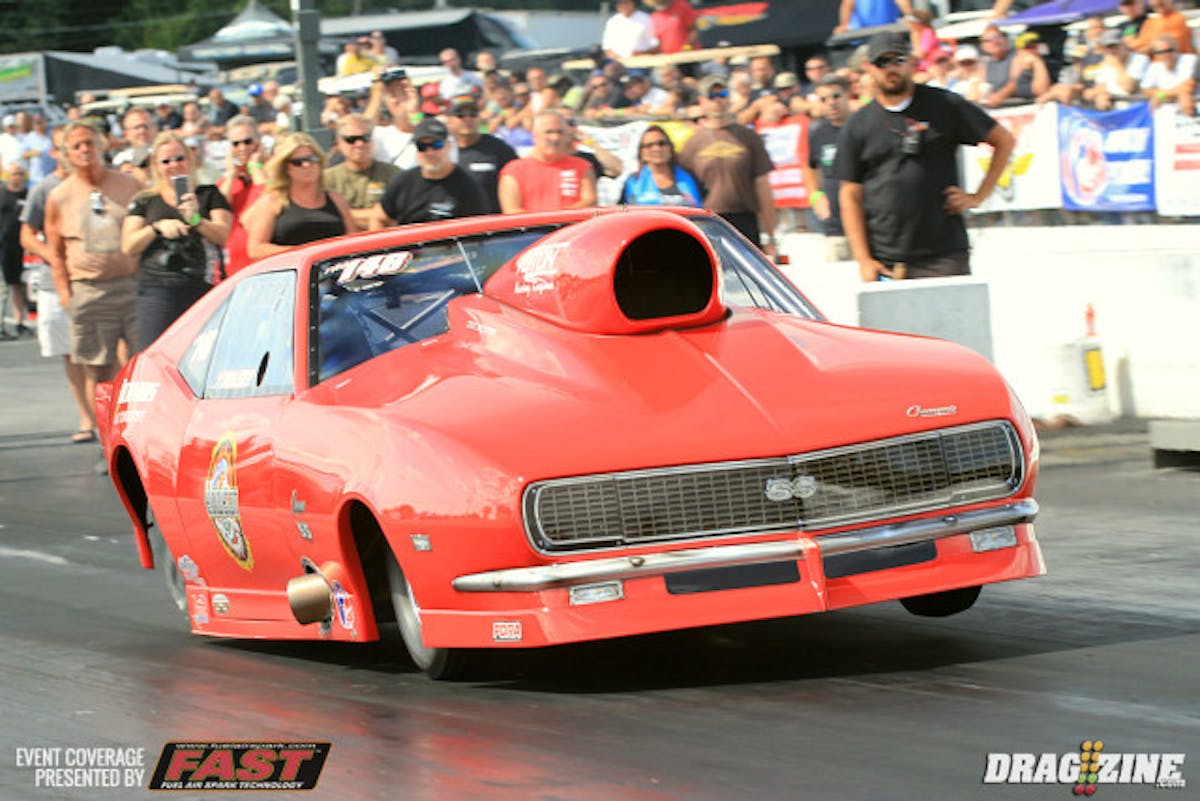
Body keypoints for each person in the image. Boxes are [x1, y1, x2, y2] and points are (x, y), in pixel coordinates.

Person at [834, 32, 1016, 282]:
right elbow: (850, 195)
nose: (890, 68)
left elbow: (1004, 140)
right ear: (869, 68)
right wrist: (863, 259)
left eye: (897, 60)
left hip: (944, 255)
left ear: (911, 61)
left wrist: (977, 196)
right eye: (881, 63)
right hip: (887, 260)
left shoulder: (944, 104)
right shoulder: (857, 125)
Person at [44, 122, 143, 433]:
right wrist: (65, 295)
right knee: (98, 370)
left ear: (103, 146)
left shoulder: (130, 185)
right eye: (76, 146)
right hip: (89, 291)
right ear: (66, 155)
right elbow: (56, 252)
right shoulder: (58, 196)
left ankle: (142, 433)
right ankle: (106, 437)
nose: (84, 150)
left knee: (144, 365)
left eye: (89, 143)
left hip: (134, 287)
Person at [119, 133, 231, 349]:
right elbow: (128, 245)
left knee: (207, 355)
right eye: (166, 161)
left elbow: (223, 234)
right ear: (156, 166)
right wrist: (157, 228)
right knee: (156, 354)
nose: (174, 165)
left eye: (180, 159)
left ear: (189, 160)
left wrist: (196, 220)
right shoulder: (145, 200)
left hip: (205, 287)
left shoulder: (209, 194)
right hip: (158, 290)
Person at [20, 126, 95, 442]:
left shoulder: (97, 184)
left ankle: (105, 418)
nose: (75, 152)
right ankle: (86, 419)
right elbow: (27, 234)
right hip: (56, 283)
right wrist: (53, 255)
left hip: (93, 280)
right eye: (68, 147)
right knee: (71, 353)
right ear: (58, 152)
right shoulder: (45, 189)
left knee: (98, 353)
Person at [678, 74, 777, 257]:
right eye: (711, 96)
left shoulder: (749, 137)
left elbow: (763, 187)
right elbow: (684, 189)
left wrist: (771, 235)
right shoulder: (691, 143)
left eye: (722, 94)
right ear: (702, 101)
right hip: (707, 221)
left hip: (745, 219)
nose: (718, 100)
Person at [244, 133, 355, 261]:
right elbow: (255, 249)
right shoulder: (273, 201)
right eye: (298, 162)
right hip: (291, 274)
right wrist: (305, 254)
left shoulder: (336, 200)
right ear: (286, 168)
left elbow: (352, 242)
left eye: (312, 159)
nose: (307, 165)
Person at [372, 117, 486, 227]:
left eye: (437, 145)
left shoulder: (468, 187)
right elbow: (379, 219)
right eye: (422, 146)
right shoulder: (402, 182)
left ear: (449, 146)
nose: (430, 152)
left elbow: (478, 233)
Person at [497, 111, 597, 213]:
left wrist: (559, 219)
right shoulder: (514, 171)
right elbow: (512, 210)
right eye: (549, 132)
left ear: (567, 136)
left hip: (574, 227)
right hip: (533, 228)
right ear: (534, 135)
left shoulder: (582, 167)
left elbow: (589, 201)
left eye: (560, 132)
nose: (555, 138)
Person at [804, 76, 854, 262]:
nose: (831, 103)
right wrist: (815, 195)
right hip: (835, 228)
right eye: (824, 99)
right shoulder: (818, 133)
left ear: (848, 94)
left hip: (869, 226)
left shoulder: (862, 125)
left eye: (836, 96)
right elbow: (809, 167)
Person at [323, 113, 401, 232]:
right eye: (351, 140)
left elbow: (397, 217)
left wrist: (345, 214)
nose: (359, 144)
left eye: (365, 138)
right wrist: (376, 217)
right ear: (339, 143)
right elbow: (327, 218)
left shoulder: (393, 174)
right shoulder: (327, 179)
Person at [445, 95, 516, 214]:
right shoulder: (441, 151)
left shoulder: (498, 148)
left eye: (473, 114)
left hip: (493, 225)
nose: (468, 119)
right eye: (460, 115)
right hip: (457, 227)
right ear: (449, 120)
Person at [216, 116, 267, 277]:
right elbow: (220, 207)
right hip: (234, 268)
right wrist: (232, 174)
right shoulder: (225, 183)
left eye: (247, 141)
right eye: (235, 143)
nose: (242, 147)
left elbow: (269, 198)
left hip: (265, 263)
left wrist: (255, 166)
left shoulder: (270, 175)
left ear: (258, 143)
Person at [620, 125, 702, 206]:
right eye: (649, 145)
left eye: (662, 143)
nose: (656, 149)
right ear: (641, 153)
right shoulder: (632, 182)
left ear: (670, 147)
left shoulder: (691, 177)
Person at [364, 68, 420, 169]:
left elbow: (427, 135)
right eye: (392, 95)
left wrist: (413, 111)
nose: (398, 98)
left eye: (403, 92)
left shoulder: (428, 125)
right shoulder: (379, 134)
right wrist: (377, 95)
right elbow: (360, 131)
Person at [0, 162, 28, 337]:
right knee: (3, 287)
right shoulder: (2, 195)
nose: (16, 177)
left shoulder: (28, 195)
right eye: (13, 174)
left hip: (21, 247)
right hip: (2, 246)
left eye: (19, 174)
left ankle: (19, 322)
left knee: (18, 285)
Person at [1139, 34, 1197, 117]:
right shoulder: (1154, 67)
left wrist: (1161, 95)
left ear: (1177, 49)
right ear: (1155, 54)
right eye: (1160, 52)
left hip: (1193, 111)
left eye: (1169, 50)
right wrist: (1163, 95)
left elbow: (1188, 86)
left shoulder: (1191, 60)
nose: (1165, 55)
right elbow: (1147, 90)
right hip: (1170, 116)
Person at [1125, 0, 1194, 56]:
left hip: (1178, 63)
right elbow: (1138, 44)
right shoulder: (1150, 22)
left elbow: (1167, 46)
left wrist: (1137, 46)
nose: (1157, 1)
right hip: (1154, 65)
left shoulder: (1178, 18)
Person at [834, 0, 914, 34]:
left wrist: (910, 17)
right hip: (861, 36)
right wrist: (844, 25)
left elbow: (905, 6)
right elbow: (847, 5)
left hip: (888, 35)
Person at [22, 114, 55, 187]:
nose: (38, 125)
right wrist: (32, 153)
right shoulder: (29, 137)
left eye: (40, 123)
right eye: (35, 123)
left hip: (52, 175)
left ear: (45, 122)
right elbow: (24, 155)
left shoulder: (53, 134)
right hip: (35, 178)